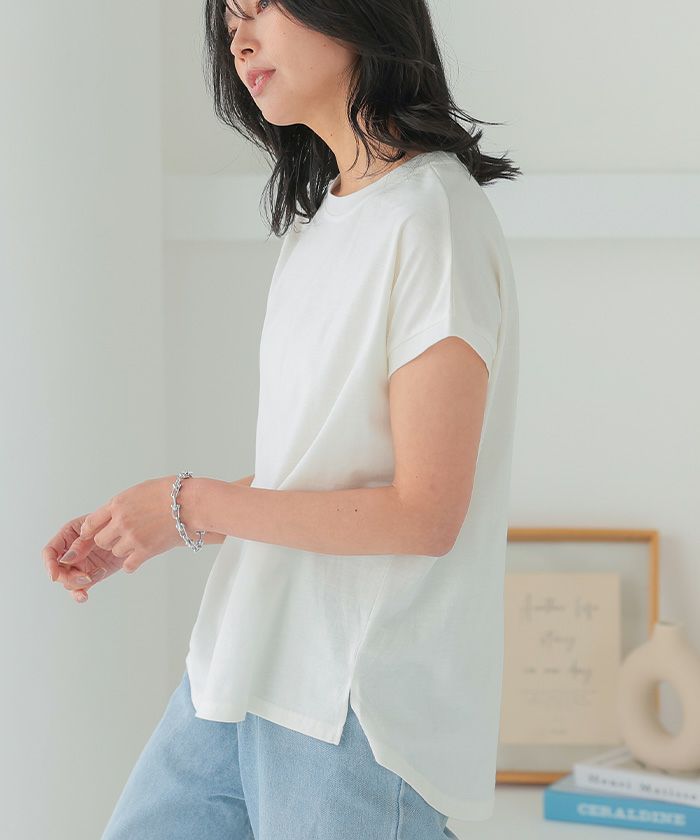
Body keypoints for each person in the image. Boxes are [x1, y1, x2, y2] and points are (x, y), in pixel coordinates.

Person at [43, 0, 521, 837]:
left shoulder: (432, 219)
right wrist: (158, 522)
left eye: (262, 8)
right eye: (229, 20)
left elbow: (425, 513)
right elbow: (324, 472)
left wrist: (192, 501)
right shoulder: (324, 220)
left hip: (350, 701)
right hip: (238, 665)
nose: (239, 40)